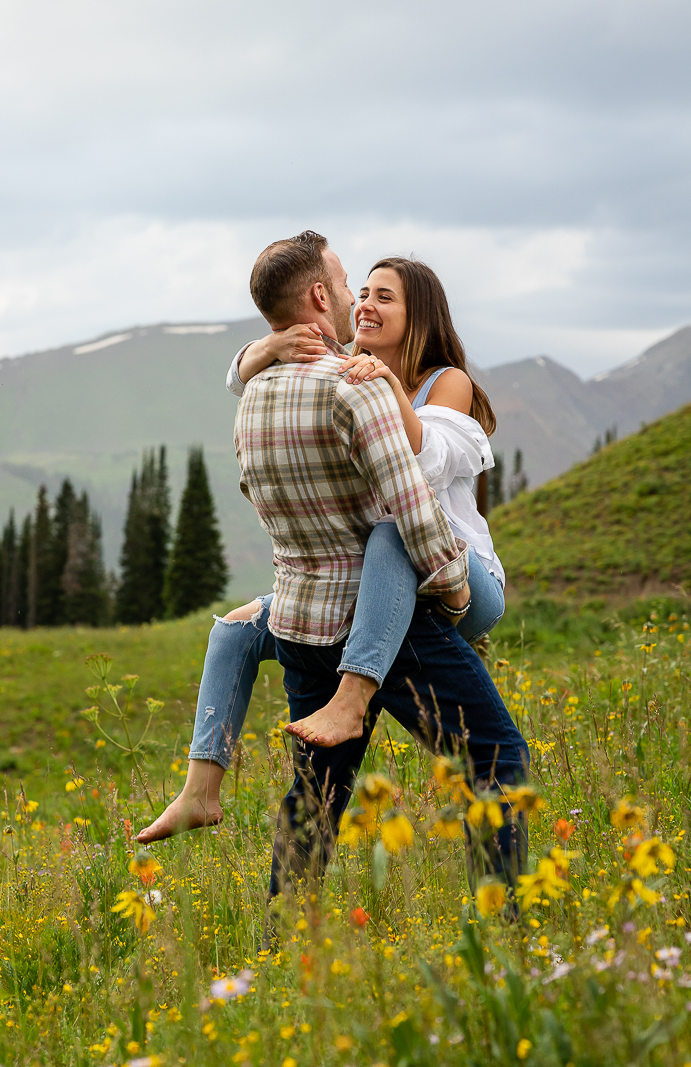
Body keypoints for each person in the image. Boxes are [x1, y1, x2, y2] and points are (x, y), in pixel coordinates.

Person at [140, 230, 527, 906]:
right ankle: (506, 923)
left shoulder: (440, 385)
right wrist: (270, 346)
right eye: (358, 289)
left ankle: (282, 924)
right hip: (392, 607)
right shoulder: (345, 375)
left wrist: (382, 394)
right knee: (481, 761)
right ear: (323, 298)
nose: (365, 303)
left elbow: (425, 469)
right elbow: (245, 374)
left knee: (320, 778)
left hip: (445, 583)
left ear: (421, 316)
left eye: (384, 295)